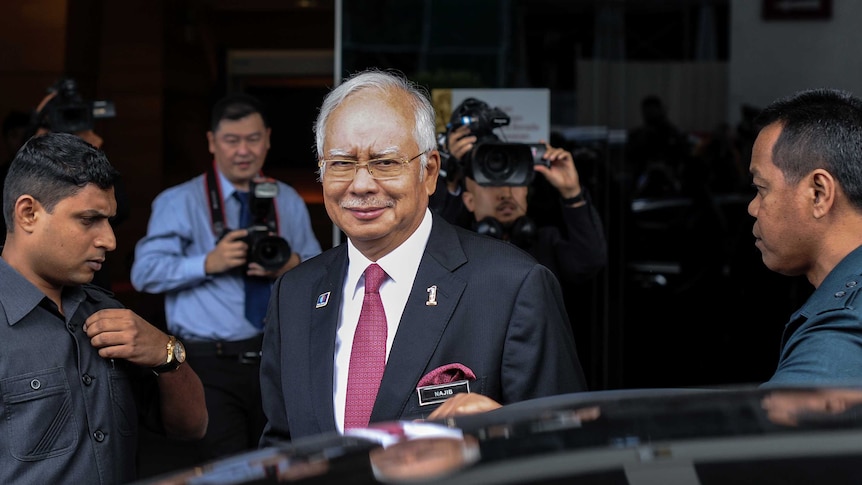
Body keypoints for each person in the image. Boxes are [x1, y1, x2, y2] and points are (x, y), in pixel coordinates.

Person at [258, 68, 587, 445]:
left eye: (385, 162)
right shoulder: (295, 293)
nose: (361, 184)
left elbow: (567, 448)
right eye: (342, 163)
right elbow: (281, 447)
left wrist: (503, 434)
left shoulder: (512, 287)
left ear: (429, 172)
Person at [0, 132, 207, 484]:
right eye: (88, 220)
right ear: (29, 213)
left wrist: (166, 352)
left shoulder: (110, 312)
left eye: (109, 220)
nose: (109, 240)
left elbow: (192, 427)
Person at [130, 93, 322, 460]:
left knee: (280, 462)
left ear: (267, 139)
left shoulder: (288, 199)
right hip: (207, 363)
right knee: (225, 468)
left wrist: (291, 265)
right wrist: (208, 263)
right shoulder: (180, 201)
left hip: (278, 358)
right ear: (212, 142)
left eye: (252, 139)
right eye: (232, 140)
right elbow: (143, 273)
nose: (243, 151)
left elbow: (320, 267)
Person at [749, 88, 862, 387]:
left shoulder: (844, 326)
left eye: (761, 189)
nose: (752, 207)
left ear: (819, 193)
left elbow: (775, 429)